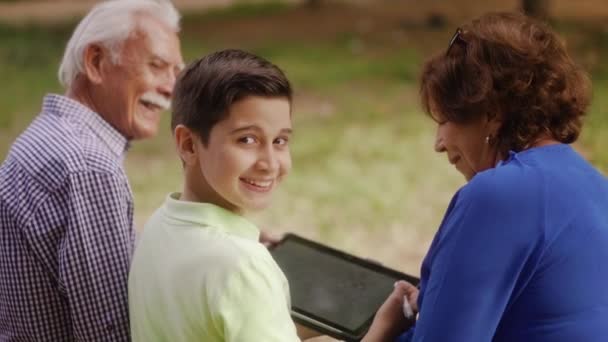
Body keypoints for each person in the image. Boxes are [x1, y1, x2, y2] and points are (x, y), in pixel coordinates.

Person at [370, 12, 608, 342]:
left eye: (445, 120)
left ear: (492, 113)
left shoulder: (498, 195)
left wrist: (380, 332)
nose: (439, 144)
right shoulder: (595, 184)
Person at [0, 0, 184, 340]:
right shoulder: (89, 167)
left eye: (175, 72)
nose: (170, 88)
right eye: (157, 66)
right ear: (96, 62)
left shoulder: (47, 134)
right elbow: (111, 332)